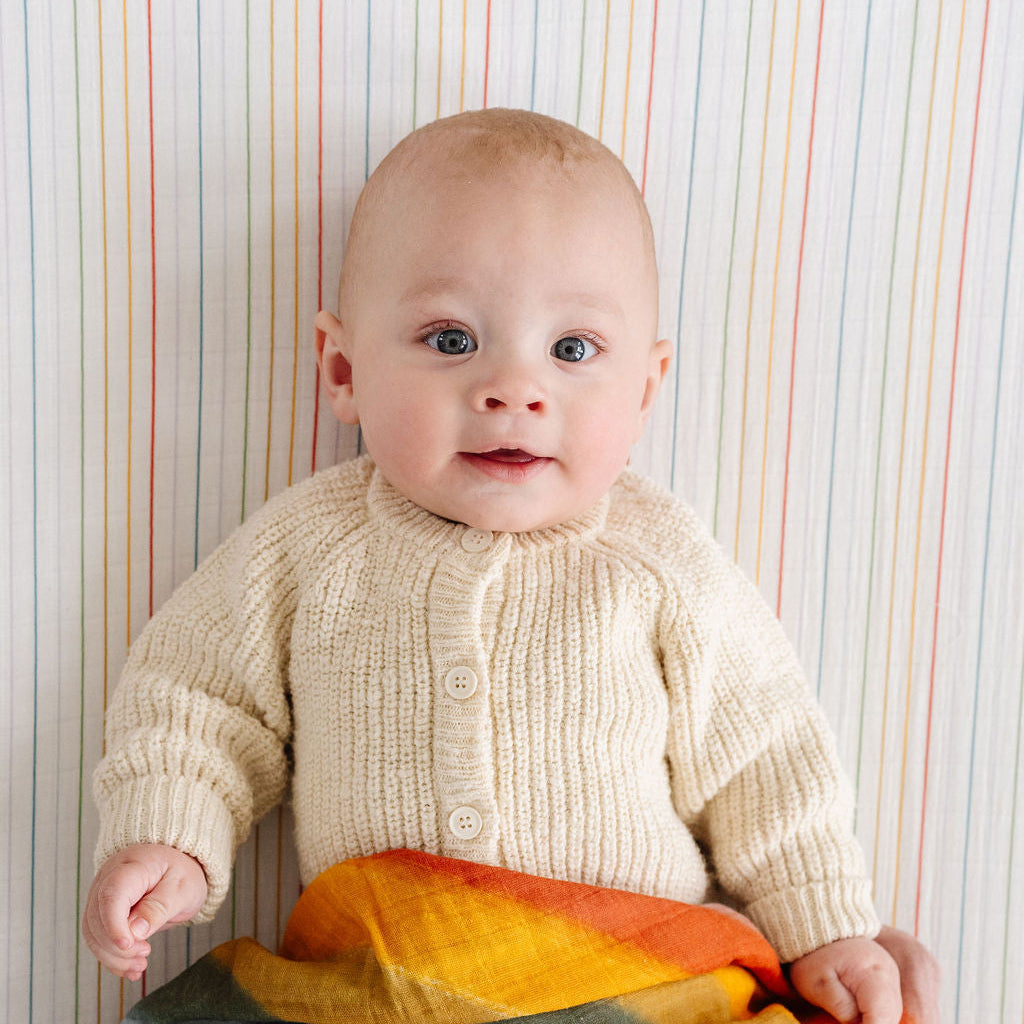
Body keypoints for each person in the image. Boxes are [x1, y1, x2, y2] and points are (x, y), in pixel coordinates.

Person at [82, 108, 939, 1023]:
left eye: (572, 351)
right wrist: (173, 837)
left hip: (634, 979)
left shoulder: (658, 561)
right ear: (342, 369)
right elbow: (199, 699)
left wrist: (824, 927)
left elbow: (763, 752)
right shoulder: (308, 547)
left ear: (644, 390)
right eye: (451, 339)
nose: (514, 388)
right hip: (380, 978)